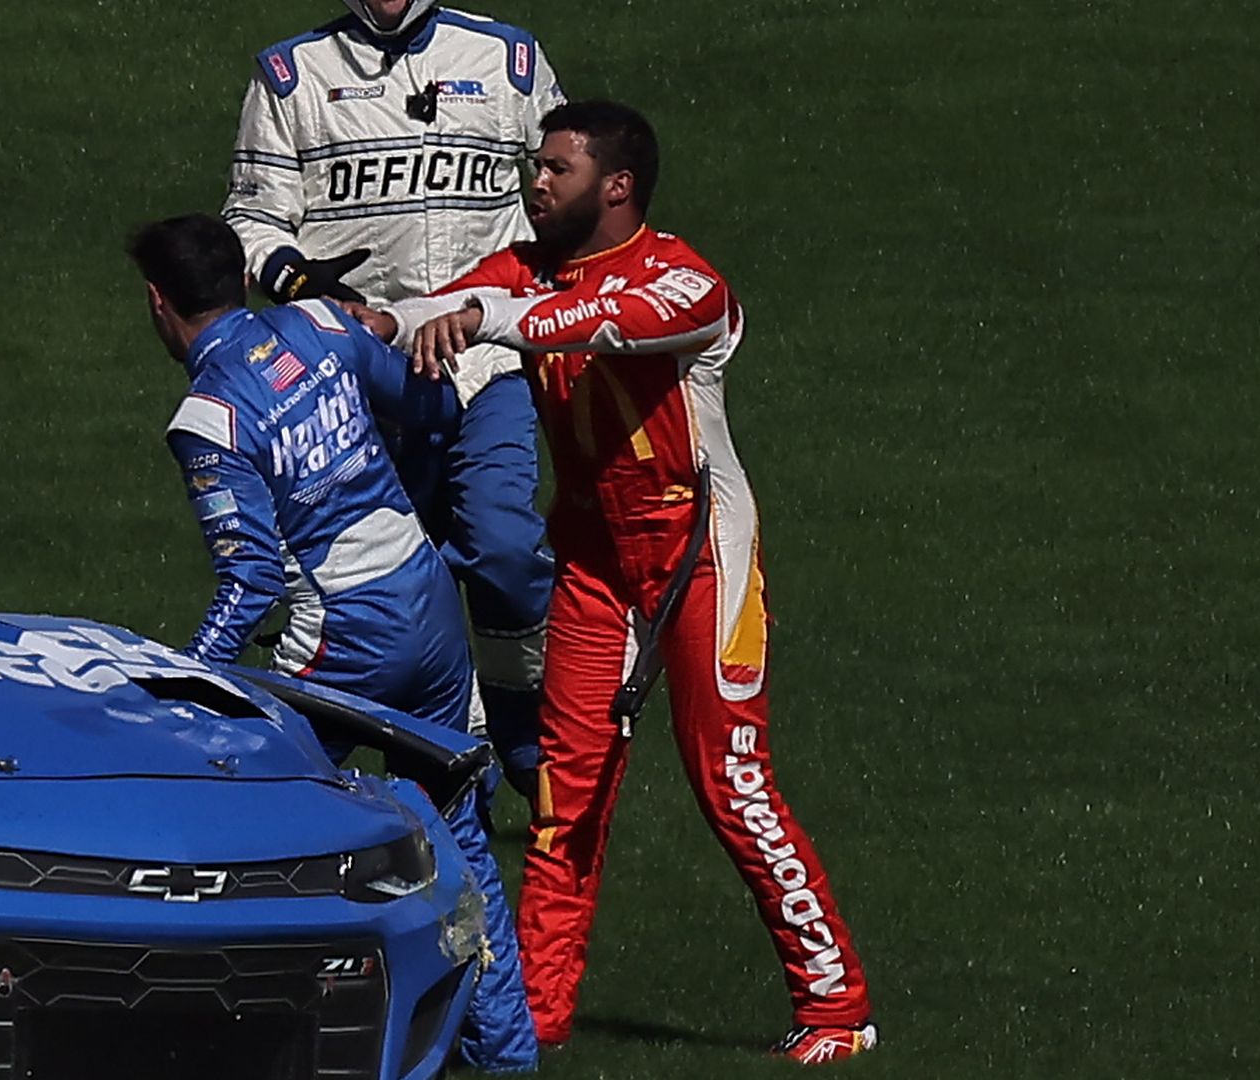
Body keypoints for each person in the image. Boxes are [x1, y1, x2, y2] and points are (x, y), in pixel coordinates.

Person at [359, 101, 879, 1063]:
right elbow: (452, 303)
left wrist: (483, 319)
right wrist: (388, 320)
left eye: (557, 169)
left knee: (733, 788)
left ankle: (837, 1004)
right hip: (595, 564)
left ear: (618, 185)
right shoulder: (526, 270)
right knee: (566, 802)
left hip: (699, 560)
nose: (537, 183)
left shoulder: (685, 284)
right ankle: (539, 1016)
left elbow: (589, 324)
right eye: (537, 167)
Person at [125, 213, 539, 1072]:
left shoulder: (207, 419)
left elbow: (250, 583)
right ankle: (504, 1052)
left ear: (159, 305)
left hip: (341, 640)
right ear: (241, 278)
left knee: (258, 827)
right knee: (462, 836)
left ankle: (256, 1036)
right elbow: (427, 403)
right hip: (427, 606)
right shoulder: (321, 323)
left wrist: (187, 680)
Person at [222, 0, 563, 799]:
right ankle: (309, 778)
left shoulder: (509, 59)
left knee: (507, 550)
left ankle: (520, 734)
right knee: (372, 587)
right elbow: (250, 219)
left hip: (484, 361)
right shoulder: (290, 75)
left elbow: (564, 184)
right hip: (361, 378)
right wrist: (301, 285)